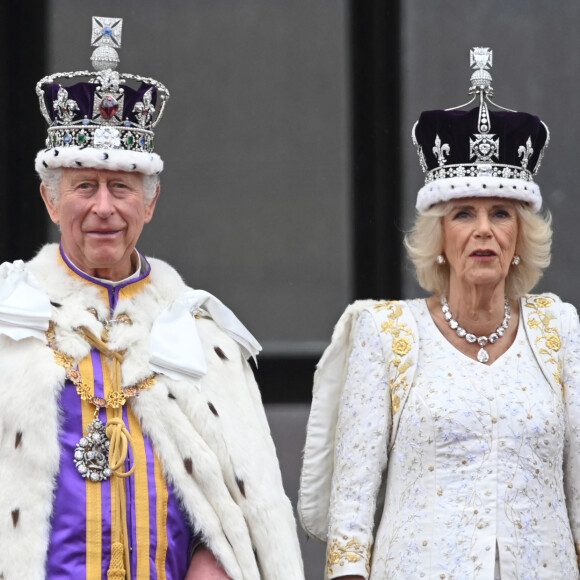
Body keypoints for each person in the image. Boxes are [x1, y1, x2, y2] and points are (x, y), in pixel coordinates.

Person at [0, 16, 304, 580]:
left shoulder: (203, 333)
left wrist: (217, 563)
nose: (104, 207)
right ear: (50, 200)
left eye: (121, 188)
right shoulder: (7, 322)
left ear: (150, 205)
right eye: (84, 186)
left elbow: (243, 500)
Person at [299, 47, 580, 579]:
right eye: (463, 214)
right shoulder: (384, 333)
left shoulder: (561, 332)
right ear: (439, 238)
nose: (483, 230)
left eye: (501, 213)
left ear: (519, 236)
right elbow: (350, 516)